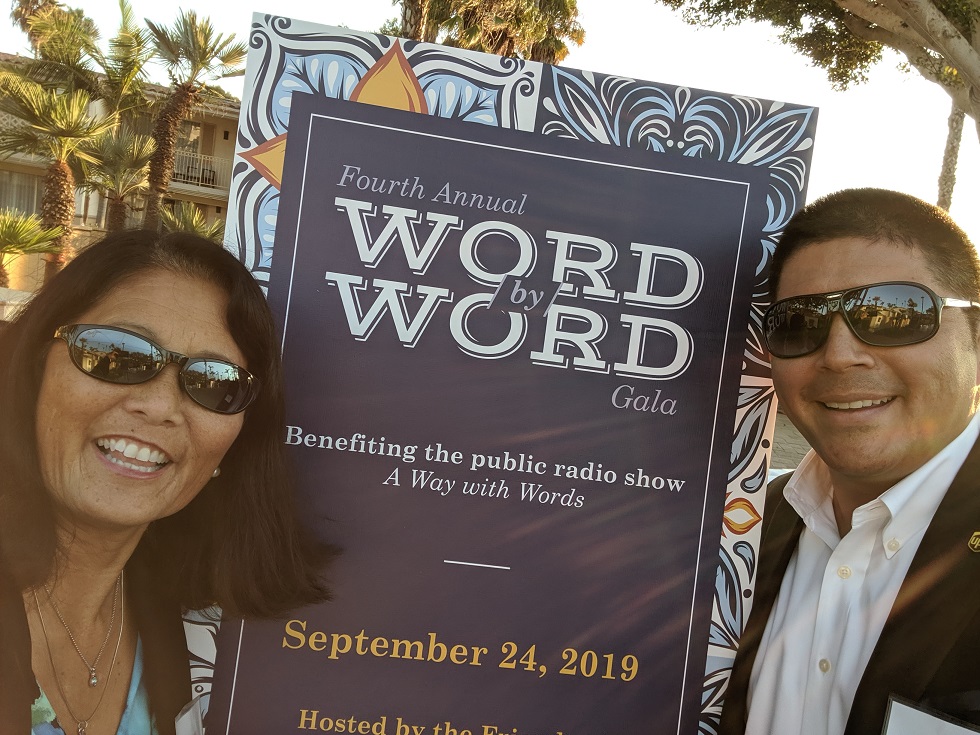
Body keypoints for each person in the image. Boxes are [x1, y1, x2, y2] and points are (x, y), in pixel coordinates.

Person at [0, 230, 337, 735]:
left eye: (214, 383)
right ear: (34, 371)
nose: (158, 407)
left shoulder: (199, 633)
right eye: (118, 354)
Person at [720, 188, 980, 735]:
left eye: (894, 314)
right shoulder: (733, 534)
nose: (838, 355)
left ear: (975, 339)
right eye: (799, 323)